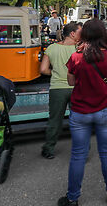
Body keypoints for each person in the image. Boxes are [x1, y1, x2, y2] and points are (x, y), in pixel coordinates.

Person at [58, 19, 107, 206]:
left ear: (84, 34)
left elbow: (71, 82)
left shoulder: (76, 57)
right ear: (103, 34)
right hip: (106, 111)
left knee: (78, 155)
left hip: (80, 111)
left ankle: (72, 198)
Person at [40, 22, 82, 159]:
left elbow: (43, 70)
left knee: (55, 120)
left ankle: (49, 149)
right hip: (76, 88)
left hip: (57, 89)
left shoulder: (52, 48)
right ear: (72, 33)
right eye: (80, 32)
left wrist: (57, 73)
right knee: (79, 121)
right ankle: (82, 151)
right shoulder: (79, 49)